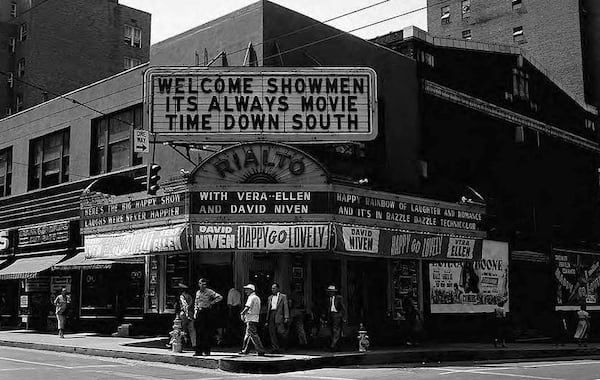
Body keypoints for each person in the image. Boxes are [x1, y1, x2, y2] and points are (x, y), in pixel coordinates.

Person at [193, 278, 223, 356]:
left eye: (204, 284)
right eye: (201, 284)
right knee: (199, 332)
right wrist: (195, 311)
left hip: (207, 311)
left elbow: (220, 297)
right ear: (198, 284)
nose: (202, 286)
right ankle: (198, 351)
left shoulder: (209, 291)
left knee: (206, 332)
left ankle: (206, 351)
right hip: (199, 311)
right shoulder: (198, 292)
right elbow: (196, 302)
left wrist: (212, 302)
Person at [239, 284, 266, 356]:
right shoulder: (257, 297)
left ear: (251, 290)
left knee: (253, 334)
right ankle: (245, 350)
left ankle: (260, 350)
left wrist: (242, 313)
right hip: (254, 318)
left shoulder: (251, 297)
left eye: (247, 289)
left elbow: (247, 307)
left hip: (251, 318)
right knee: (248, 335)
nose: (245, 291)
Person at [265, 283, 289, 353]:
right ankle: (275, 347)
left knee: (281, 332)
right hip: (271, 314)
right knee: (272, 332)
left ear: (278, 289)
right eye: (272, 288)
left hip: (279, 314)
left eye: (274, 288)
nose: (272, 290)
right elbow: (268, 309)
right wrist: (267, 319)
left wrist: (286, 317)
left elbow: (285, 306)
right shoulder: (270, 297)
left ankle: (283, 347)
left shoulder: (283, 296)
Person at [326, 285, 346, 352]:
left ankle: (333, 345)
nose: (330, 293)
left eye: (332, 292)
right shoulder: (328, 299)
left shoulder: (339, 298)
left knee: (336, 330)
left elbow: (343, 308)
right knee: (332, 331)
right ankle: (336, 346)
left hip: (337, 315)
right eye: (329, 292)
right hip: (330, 316)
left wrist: (342, 316)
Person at [177, 284, 196, 350]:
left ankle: (182, 343)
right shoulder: (190, 296)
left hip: (184, 314)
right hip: (191, 313)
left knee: (182, 329)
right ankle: (194, 344)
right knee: (192, 330)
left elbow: (185, 305)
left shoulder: (182, 296)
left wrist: (186, 314)